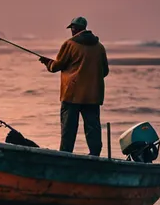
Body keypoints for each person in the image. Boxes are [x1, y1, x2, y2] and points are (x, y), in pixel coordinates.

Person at [39, 17, 109, 156]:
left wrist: (48, 63)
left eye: (72, 28)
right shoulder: (99, 46)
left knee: (68, 128)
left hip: (71, 94)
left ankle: (66, 156)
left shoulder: (69, 44)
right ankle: (95, 156)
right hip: (93, 95)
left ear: (74, 28)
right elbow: (105, 71)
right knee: (93, 128)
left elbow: (56, 66)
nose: (71, 31)